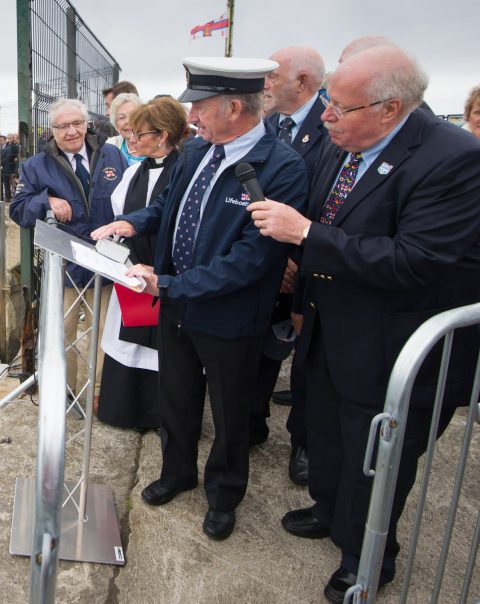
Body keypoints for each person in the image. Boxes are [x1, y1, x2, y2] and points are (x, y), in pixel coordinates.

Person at [249, 44, 480, 603]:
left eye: (340, 108)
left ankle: (369, 558)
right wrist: (302, 292)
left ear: (389, 107)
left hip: (392, 346)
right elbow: (333, 216)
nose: (325, 116)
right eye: (327, 103)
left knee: (378, 458)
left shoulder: (453, 159)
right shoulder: (345, 140)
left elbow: (413, 260)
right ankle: (328, 511)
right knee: (325, 432)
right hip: (330, 326)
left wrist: (304, 237)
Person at [91, 57, 307, 541]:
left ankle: (224, 494)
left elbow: (254, 260)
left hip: (229, 315)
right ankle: (177, 471)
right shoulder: (196, 153)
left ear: (233, 107)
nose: (192, 117)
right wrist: (134, 222)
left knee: (230, 411)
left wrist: (166, 286)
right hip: (178, 304)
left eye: (201, 107)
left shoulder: (283, 168)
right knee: (177, 395)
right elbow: (168, 207)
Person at [12, 97, 127, 396]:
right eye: (62, 126)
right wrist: (46, 201)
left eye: (77, 123)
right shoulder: (35, 166)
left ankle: (99, 393)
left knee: (103, 332)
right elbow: (18, 210)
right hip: (64, 267)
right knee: (63, 333)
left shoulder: (112, 154)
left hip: (106, 261)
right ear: (52, 130)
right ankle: (66, 392)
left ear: (87, 124)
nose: (71, 131)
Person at [252, 45, 328, 484]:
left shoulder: (331, 127)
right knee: (265, 342)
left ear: (302, 82)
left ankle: (304, 443)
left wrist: (298, 257)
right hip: (268, 256)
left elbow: (329, 203)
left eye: (272, 77)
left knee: (308, 355)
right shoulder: (271, 125)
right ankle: (253, 420)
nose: (265, 85)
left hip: (309, 261)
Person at [96, 96, 188, 431]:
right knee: (128, 341)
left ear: (162, 135)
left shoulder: (185, 171)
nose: (131, 140)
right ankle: (125, 410)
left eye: (139, 134)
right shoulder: (133, 171)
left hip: (166, 273)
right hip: (131, 268)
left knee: (166, 349)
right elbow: (119, 211)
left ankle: (161, 416)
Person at [106, 92, 145, 165]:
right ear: (116, 124)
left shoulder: (156, 143)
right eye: (122, 117)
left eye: (133, 115)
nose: (128, 121)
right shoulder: (111, 146)